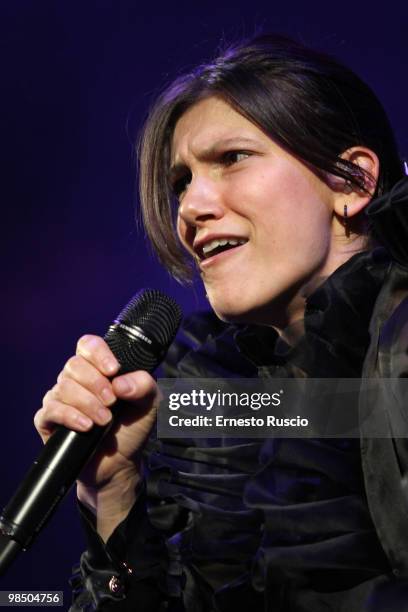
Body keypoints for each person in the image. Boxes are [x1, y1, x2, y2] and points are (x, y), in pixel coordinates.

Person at [34, 33, 408, 611]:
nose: (188, 207)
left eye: (232, 158)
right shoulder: (221, 405)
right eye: (181, 181)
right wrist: (111, 491)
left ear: (352, 182)